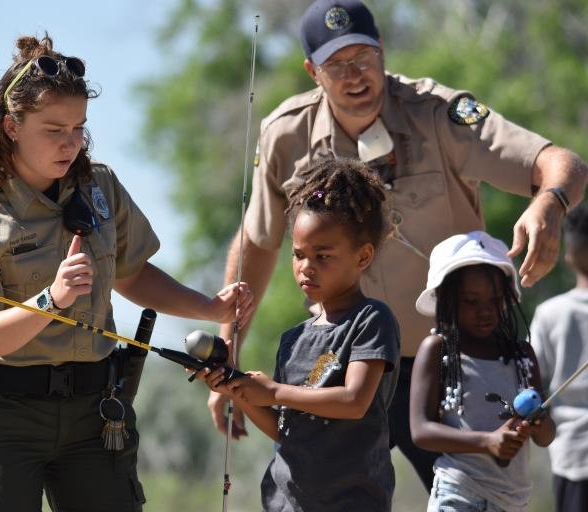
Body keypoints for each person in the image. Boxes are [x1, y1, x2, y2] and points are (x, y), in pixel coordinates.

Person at [209, 0, 587, 491]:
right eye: (337, 66)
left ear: (382, 49)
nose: (355, 76)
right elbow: (258, 242)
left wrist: (550, 204)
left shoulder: (438, 115)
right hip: (349, 364)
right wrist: (227, 346)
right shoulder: (287, 134)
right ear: (312, 72)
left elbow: (560, 163)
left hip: (447, 358)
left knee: (479, 497)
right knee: (315, 492)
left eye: (364, 58)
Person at [0, 34, 254, 512]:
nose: (70, 142)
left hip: (95, 412)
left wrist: (209, 307)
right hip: (4, 417)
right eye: (53, 129)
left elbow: (132, 274)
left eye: (79, 127)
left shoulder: (99, 186)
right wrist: (52, 300)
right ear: (11, 126)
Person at [199, 156, 400, 511]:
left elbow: (354, 401)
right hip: (285, 502)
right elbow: (285, 430)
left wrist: (274, 391)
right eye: (298, 254)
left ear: (363, 256)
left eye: (323, 256)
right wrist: (238, 389)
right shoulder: (292, 339)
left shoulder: (371, 319)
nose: (307, 267)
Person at [409, 231, 556, 512]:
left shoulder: (522, 356)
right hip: (460, 493)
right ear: (446, 299)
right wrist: (487, 442)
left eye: (495, 300)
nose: (486, 311)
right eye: (471, 301)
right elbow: (421, 430)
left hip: (513, 500)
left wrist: (540, 424)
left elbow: (545, 437)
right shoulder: (438, 349)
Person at [530, 202, 588, 512]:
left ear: (568, 258)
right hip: (572, 459)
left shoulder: (550, 314)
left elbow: (530, 384)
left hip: (573, 458)